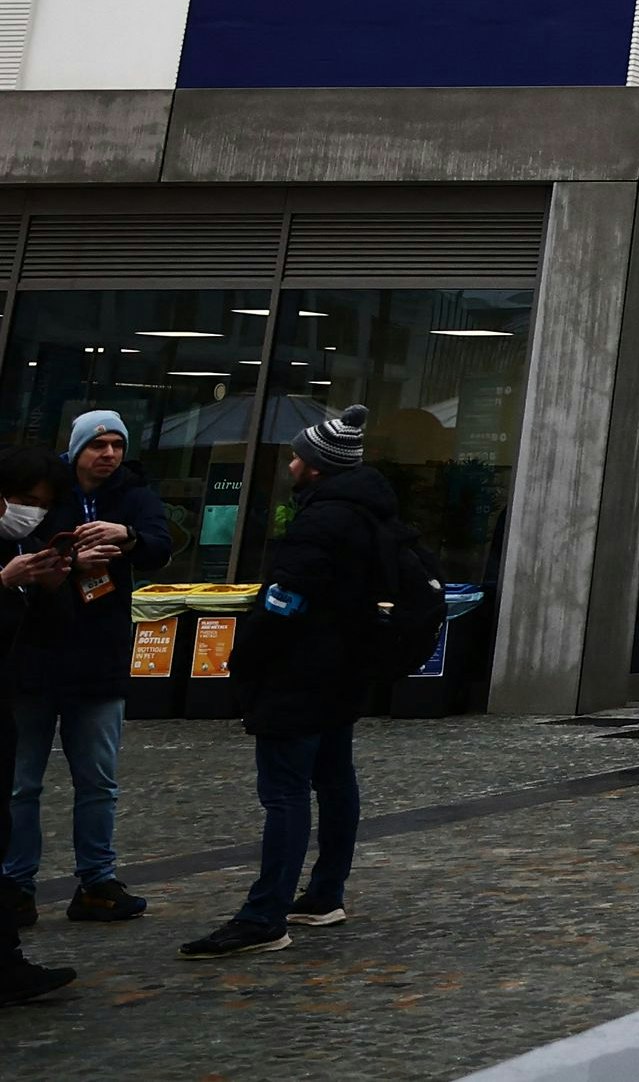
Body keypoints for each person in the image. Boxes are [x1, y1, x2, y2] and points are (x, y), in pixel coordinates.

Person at [184, 405, 397, 958]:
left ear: (318, 468)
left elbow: (282, 605)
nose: (293, 461)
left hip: (299, 675)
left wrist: (244, 660)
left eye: (300, 455)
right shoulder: (371, 514)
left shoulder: (320, 521)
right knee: (334, 780)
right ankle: (324, 893)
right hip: (342, 671)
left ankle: (265, 914)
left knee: (284, 793)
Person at [3, 410, 169, 927]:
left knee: (98, 780)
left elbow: (162, 547)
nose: (109, 455)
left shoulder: (135, 495)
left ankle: (97, 880)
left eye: (118, 445)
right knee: (20, 782)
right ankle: (14, 884)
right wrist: (69, 560)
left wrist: (128, 537)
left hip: (100, 657)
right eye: (99, 445)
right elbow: (23, 543)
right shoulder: (44, 488)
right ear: (76, 449)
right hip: (34, 656)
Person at [0, 448, 79, 1001]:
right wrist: (3, 582)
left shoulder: (19, 546)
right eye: (25, 503)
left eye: (39, 507)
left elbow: (34, 633)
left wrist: (47, 589)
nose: (30, 515)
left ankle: (7, 962)